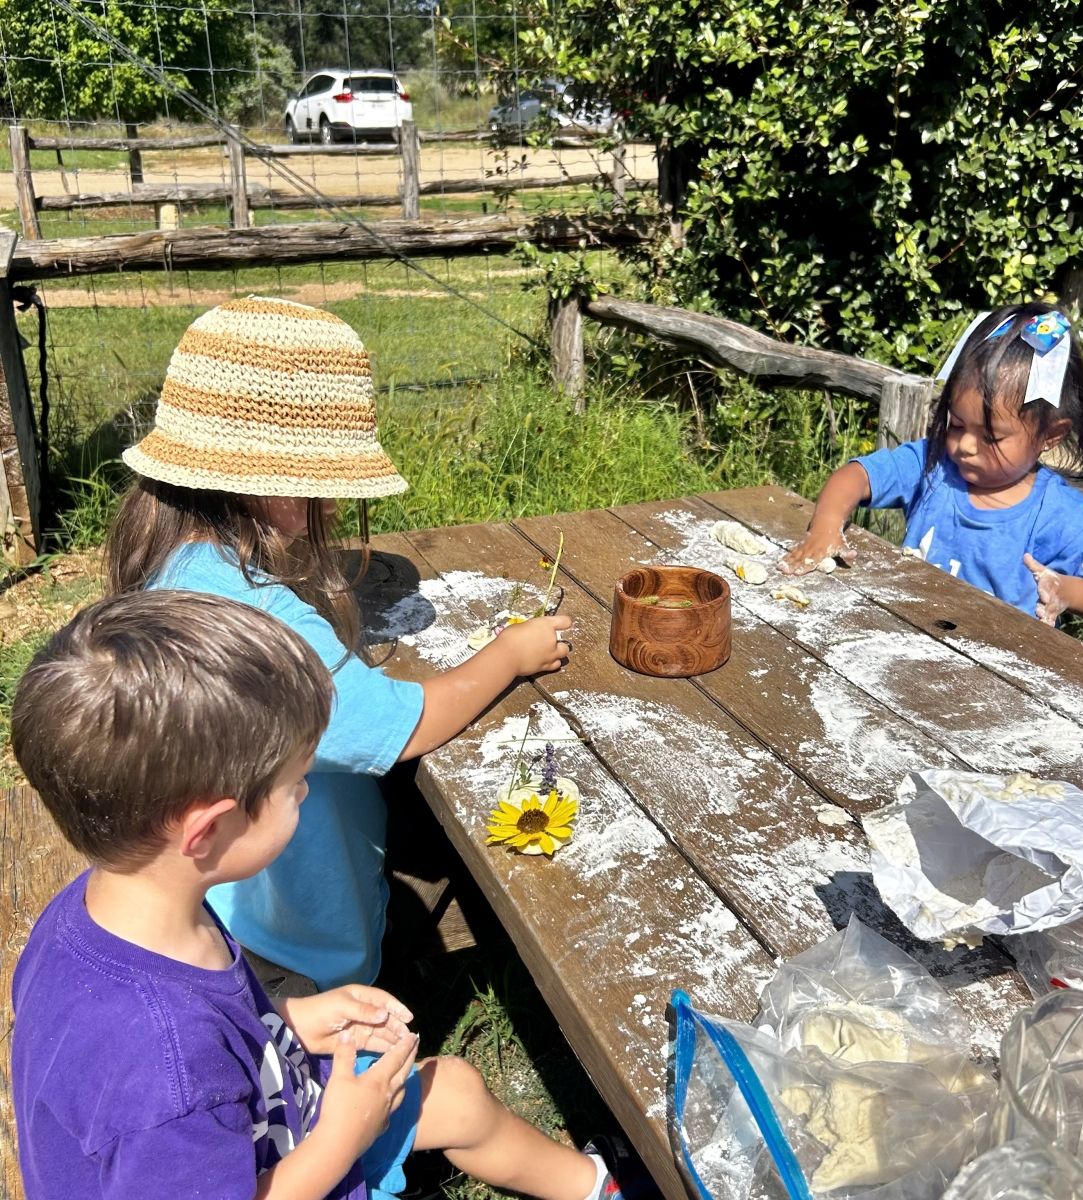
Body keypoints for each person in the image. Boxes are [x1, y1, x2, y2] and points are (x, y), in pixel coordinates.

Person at [10, 590, 643, 1200]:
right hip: (289, 1162)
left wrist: (289, 1023)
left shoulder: (119, 908)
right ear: (208, 829)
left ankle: (594, 1186)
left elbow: (212, 1029)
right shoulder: (160, 1072)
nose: (306, 794)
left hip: (273, 1120)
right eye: (295, 784)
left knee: (453, 1090)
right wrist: (343, 1136)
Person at [105, 295, 572, 994]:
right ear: (257, 479)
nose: (330, 506)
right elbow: (399, 723)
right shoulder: (257, 624)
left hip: (233, 900)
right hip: (292, 948)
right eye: (320, 484)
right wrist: (510, 652)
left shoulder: (178, 563)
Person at [779, 303, 1083, 625]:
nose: (964, 445)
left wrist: (1068, 590)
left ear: (1050, 436)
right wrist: (826, 526)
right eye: (957, 424)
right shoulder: (933, 465)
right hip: (904, 636)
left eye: (991, 437)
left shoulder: (1057, 512)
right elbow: (855, 476)